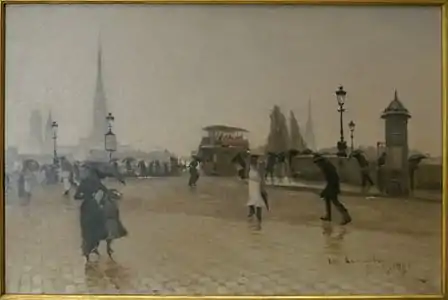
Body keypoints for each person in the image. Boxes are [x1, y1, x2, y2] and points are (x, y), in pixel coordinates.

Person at [313, 154, 351, 225]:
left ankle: (346, 217)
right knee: (327, 199)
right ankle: (328, 216)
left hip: (333, 185)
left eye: (317, 163)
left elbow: (332, 180)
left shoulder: (327, 167)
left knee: (335, 201)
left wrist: (326, 190)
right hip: (333, 185)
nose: (317, 165)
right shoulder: (327, 166)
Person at [246, 155, 268, 230]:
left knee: (258, 204)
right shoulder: (250, 168)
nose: (253, 161)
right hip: (252, 187)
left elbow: (262, 179)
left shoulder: (259, 168)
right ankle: (253, 221)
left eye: (254, 159)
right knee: (251, 203)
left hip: (257, 187)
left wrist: (262, 188)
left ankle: (259, 223)